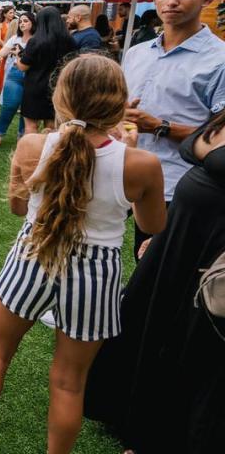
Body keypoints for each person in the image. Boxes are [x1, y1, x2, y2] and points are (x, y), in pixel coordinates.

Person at [0, 54, 166, 454]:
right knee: (69, 381)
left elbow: (18, 210)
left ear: (60, 97)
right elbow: (154, 224)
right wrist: (130, 151)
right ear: (118, 104)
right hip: (96, 272)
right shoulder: (141, 164)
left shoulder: (31, 144)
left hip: (32, 253)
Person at [84, 107, 225, 454]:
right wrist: (167, 234)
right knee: (148, 323)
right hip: (180, 235)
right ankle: (132, 419)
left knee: (186, 343)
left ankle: (158, 438)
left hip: (212, 252)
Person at [121, 0, 225, 259]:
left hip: (177, 186)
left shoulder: (218, 59)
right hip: (123, 171)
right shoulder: (137, 52)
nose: (172, 2)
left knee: (158, 272)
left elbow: (220, 144)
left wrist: (158, 126)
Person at [19, 7, 77, 134]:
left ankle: (32, 152)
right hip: (57, 87)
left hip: (35, 86)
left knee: (31, 127)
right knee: (51, 127)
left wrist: (18, 58)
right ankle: (48, 152)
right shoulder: (70, 41)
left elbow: (23, 66)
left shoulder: (35, 41)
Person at [0, 11, 34, 149]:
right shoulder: (15, 38)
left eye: (25, 21)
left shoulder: (37, 39)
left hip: (32, 76)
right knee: (9, 105)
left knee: (26, 109)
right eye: (20, 21)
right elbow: (1, 53)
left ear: (33, 22)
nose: (22, 23)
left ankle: (22, 136)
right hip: (15, 74)